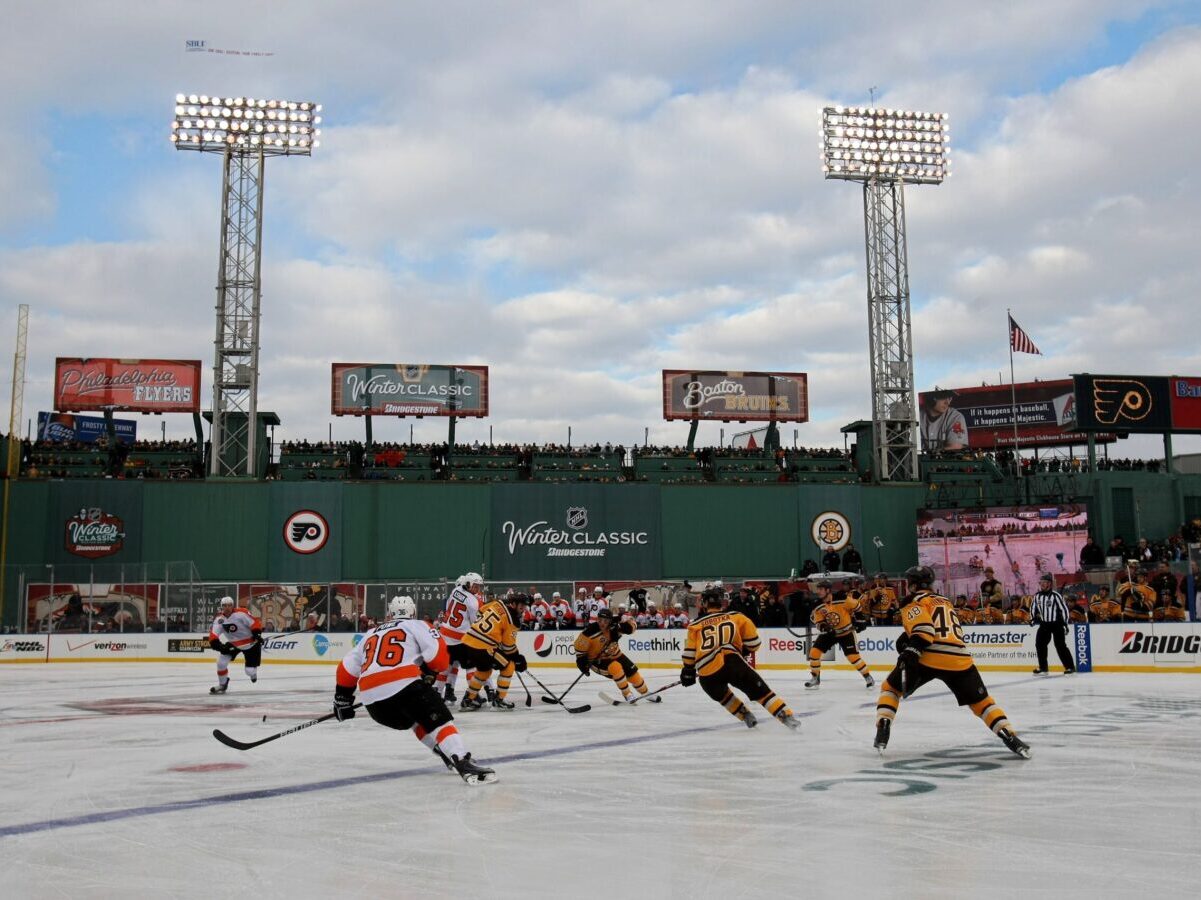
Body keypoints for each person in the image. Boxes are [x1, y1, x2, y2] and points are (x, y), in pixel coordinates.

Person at [331, 595, 496, 785]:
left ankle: (444, 751)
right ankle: (461, 759)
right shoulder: (419, 625)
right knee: (439, 719)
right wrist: (428, 671)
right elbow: (440, 659)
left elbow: (347, 668)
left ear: (390, 613)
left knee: (415, 720)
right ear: (413, 612)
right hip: (404, 685)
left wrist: (342, 700)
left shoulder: (370, 633)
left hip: (373, 702)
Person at [873, 566, 1030, 759]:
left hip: (928, 656)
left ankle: (884, 726)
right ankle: (1009, 735)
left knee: (890, 688)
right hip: (960, 659)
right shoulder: (945, 600)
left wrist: (910, 651)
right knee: (982, 702)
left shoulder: (912, 600)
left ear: (912, 584)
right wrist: (907, 637)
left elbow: (924, 631)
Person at [680, 587, 799, 730]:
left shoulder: (694, 625)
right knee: (762, 693)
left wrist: (688, 670)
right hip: (733, 663)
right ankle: (786, 716)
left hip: (707, 673)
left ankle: (745, 715)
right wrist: (743, 650)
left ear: (705, 604)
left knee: (723, 696)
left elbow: (689, 654)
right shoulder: (737, 617)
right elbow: (754, 644)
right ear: (722, 602)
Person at [458, 590, 529, 711]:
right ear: (513, 604)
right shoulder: (512, 620)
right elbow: (508, 648)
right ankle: (499, 701)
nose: (524, 608)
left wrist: (493, 634)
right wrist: (518, 659)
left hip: (467, 641)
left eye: (525, 606)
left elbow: (480, 612)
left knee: (484, 671)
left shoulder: (497, 603)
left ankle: (468, 700)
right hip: (483, 646)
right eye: (521, 605)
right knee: (509, 666)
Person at [574, 608, 657, 702]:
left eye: (605, 621)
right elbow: (579, 651)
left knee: (633, 673)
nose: (602, 623)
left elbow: (633, 627)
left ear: (610, 621)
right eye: (600, 620)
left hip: (616, 654)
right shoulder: (589, 632)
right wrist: (582, 664)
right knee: (615, 667)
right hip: (597, 661)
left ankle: (645, 693)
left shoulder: (614, 627)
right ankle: (627, 694)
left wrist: (625, 626)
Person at [804, 580, 875, 690]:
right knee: (814, 653)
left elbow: (857, 606)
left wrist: (860, 620)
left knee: (853, 657)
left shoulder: (842, 598)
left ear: (828, 590)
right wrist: (824, 627)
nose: (818, 591)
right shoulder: (817, 605)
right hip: (831, 633)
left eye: (821, 589)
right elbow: (818, 621)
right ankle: (815, 678)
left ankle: (868, 677)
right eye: (818, 589)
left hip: (846, 632)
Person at [434, 573, 484, 703]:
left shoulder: (455, 590)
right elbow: (475, 623)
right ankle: (473, 695)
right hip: (459, 639)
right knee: (471, 666)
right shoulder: (473, 601)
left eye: (479, 586)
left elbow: (448, 608)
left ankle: (437, 693)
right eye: (475, 586)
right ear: (468, 584)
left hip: (444, 635)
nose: (477, 589)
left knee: (446, 667)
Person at [207, 596, 262, 695]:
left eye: (229, 605)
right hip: (234, 644)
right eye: (224, 605)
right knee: (221, 663)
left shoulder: (241, 613)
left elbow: (254, 623)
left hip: (251, 644)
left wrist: (257, 634)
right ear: (221, 607)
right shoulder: (219, 619)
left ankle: (253, 674)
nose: (227, 607)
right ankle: (222, 685)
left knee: (249, 671)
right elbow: (213, 636)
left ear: (232, 606)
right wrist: (220, 647)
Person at [1030, 574, 1074, 675]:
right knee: (1040, 644)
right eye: (1041, 582)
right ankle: (1043, 668)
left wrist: (1065, 623)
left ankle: (1070, 667)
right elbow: (1033, 607)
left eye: (1044, 582)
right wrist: (1032, 619)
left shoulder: (1056, 596)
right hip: (1044, 624)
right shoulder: (1037, 596)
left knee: (1060, 645)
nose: (1041, 584)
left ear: (1049, 584)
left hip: (1056, 624)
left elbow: (1064, 609)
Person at [920, 388, 968, 452]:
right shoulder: (917, 415)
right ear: (932, 398)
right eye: (943, 398)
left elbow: (955, 447)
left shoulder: (955, 416)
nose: (947, 402)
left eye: (949, 398)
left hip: (947, 461)